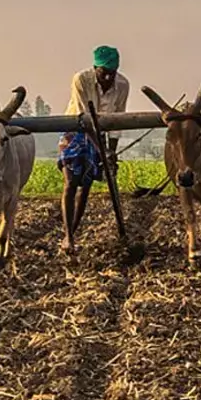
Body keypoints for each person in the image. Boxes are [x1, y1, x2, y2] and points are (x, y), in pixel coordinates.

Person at [57, 45, 130, 254]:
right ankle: (68, 236)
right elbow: (84, 119)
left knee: (86, 185)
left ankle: (72, 233)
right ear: (95, 68)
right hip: (75, 130)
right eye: (103, 72)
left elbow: (118, 118)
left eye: (112, 73)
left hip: (101, 135)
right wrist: (103, 150)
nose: (107, 77)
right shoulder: (81, 80)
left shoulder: (123, 85)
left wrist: (111, 151)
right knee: (71, 182)